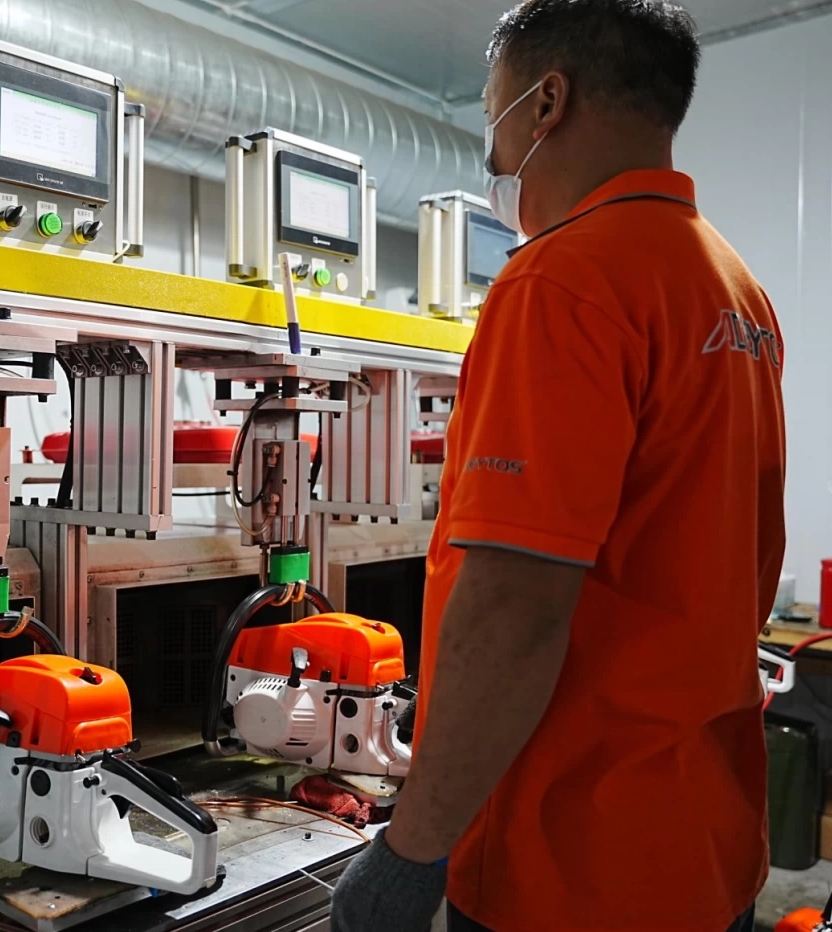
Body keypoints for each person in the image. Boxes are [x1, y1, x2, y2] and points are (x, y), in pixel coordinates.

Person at [329, 1, 787, 930]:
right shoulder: (735, 290)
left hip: (572, 859)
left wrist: (411, 853)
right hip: (705, 842)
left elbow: (516, 607)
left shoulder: (562, 278)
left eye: (491, 115)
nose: (495, 154)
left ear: (547, 102)